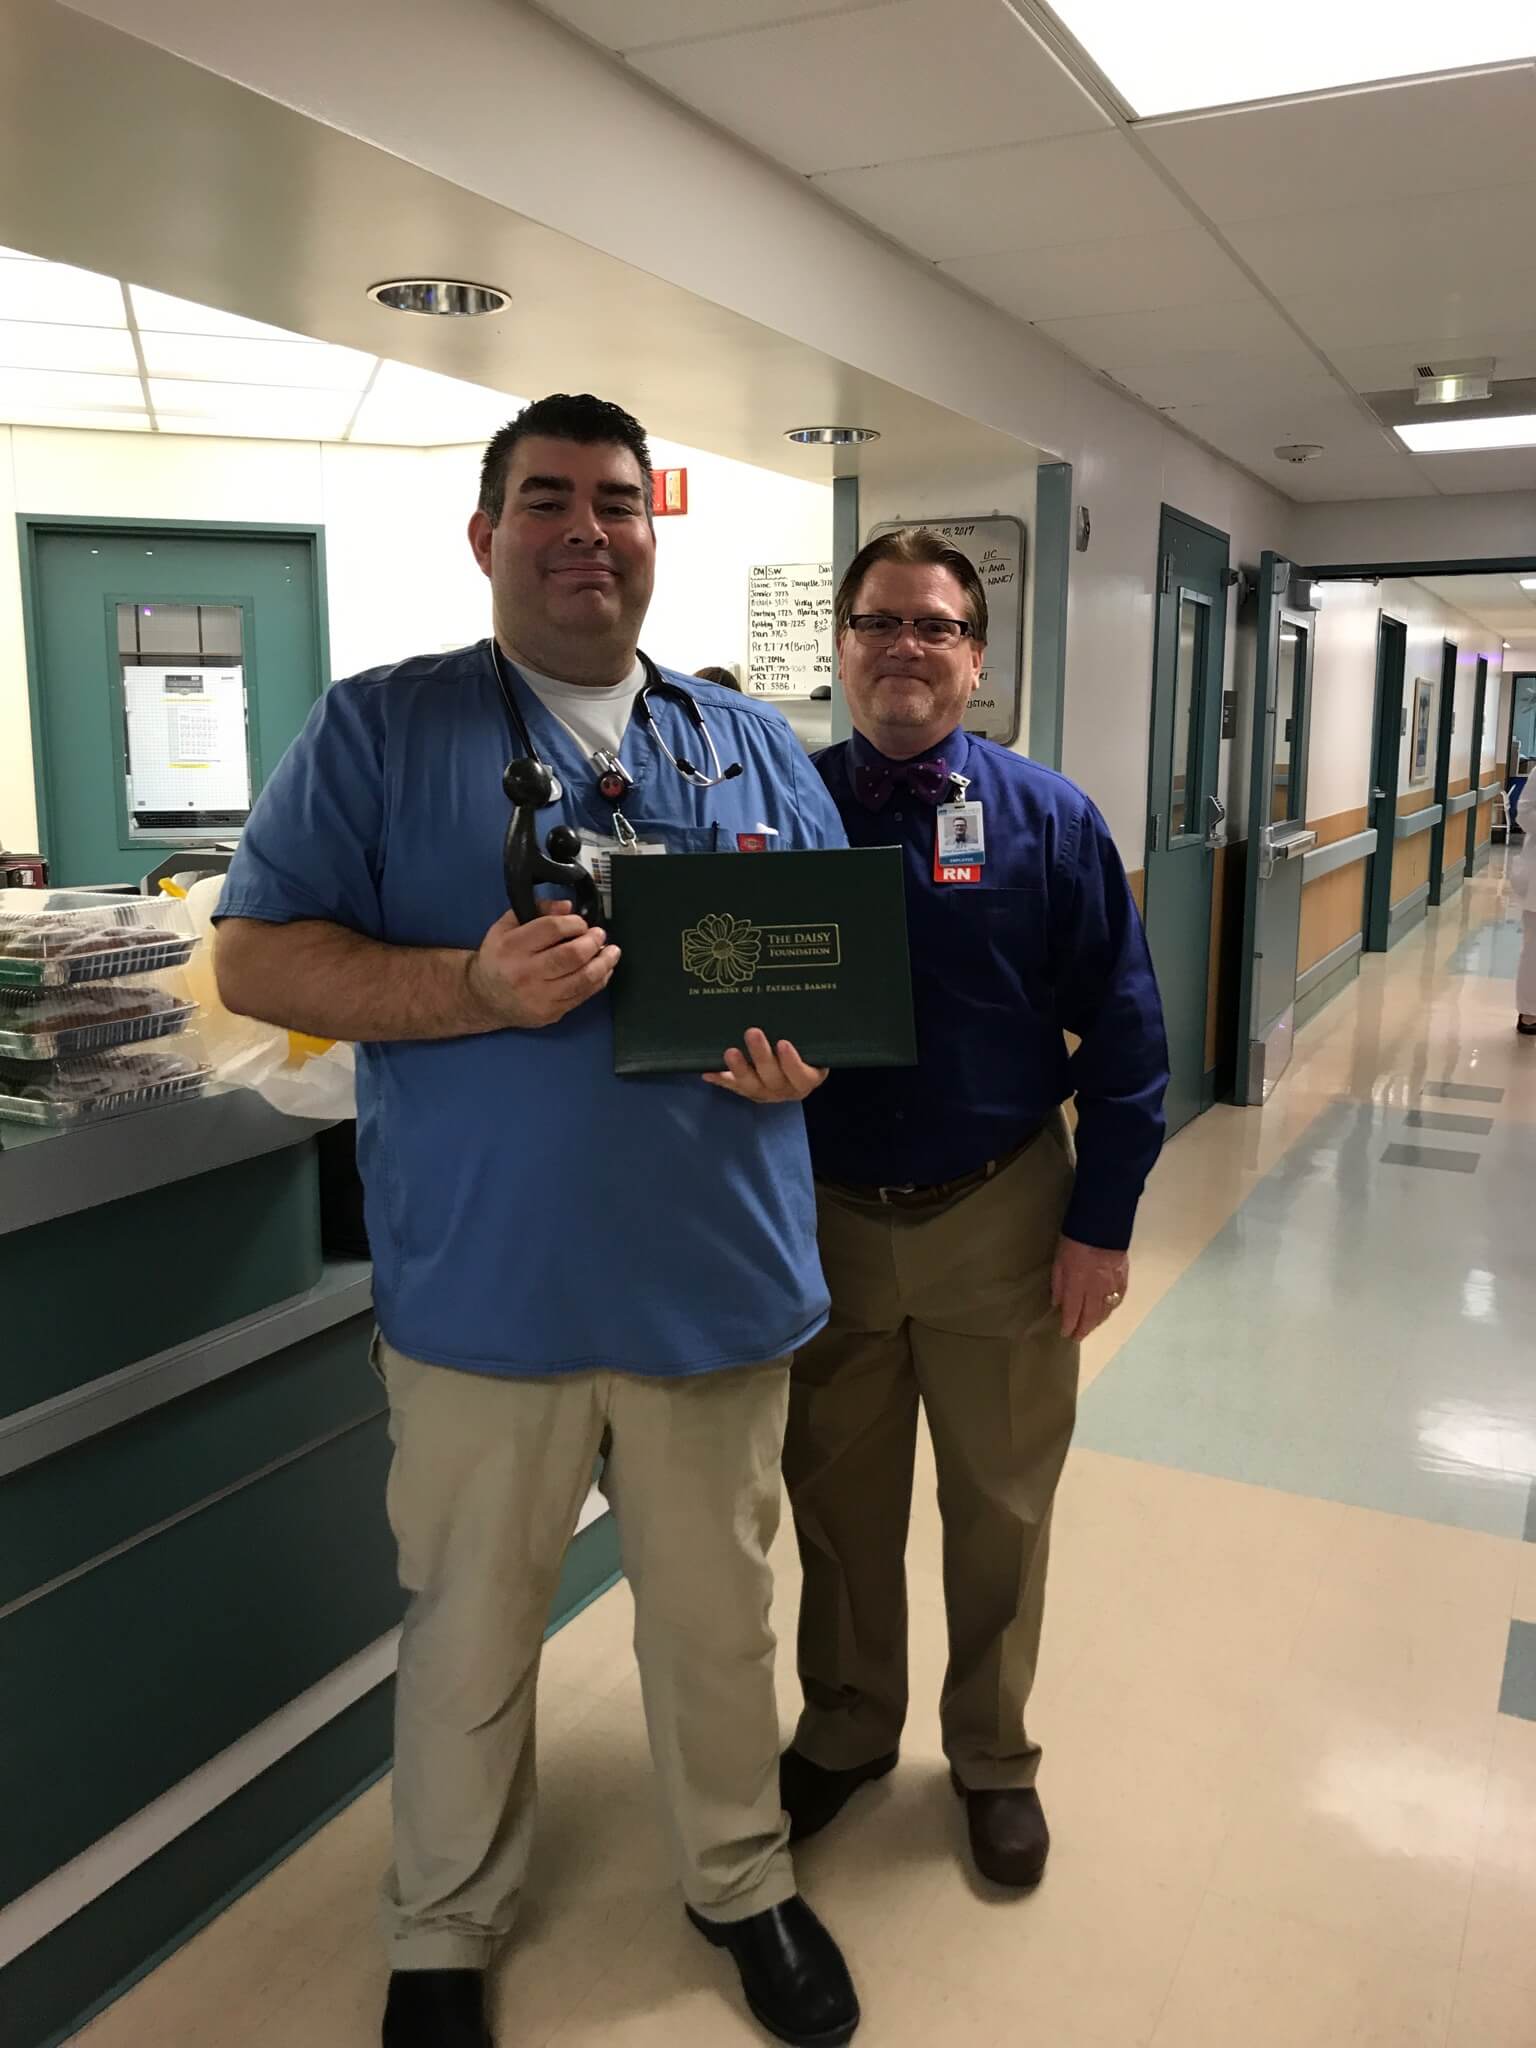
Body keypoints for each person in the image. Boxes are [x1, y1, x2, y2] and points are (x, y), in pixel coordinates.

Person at [214, 393, 860, 2048]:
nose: (590, 528)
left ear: (655, 532)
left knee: (721, 1630)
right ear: (487, 533)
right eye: (550, 499)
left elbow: (838, 982)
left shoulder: (756, 746)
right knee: (470, 1636)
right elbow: (257, 958)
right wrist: (470, 986)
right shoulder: (379, 730)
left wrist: (806, 1064)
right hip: (483, 1295)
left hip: (714, 1288)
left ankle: (740, 1882)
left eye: (620, 502)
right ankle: (441, 1924)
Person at [778, 526, 1168, 1890]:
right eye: (879, 622)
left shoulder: (1047, 819)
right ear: (843, 646)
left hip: (999, 1209)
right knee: (837, 1500)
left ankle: (993, 1757)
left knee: (1000, 1506)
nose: (905, 648)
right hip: (823, 1213)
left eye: (935, 627)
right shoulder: (784, 809)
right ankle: (845, 1728)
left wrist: (1100, 1223)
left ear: (976, 659)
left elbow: (1127, 1039)